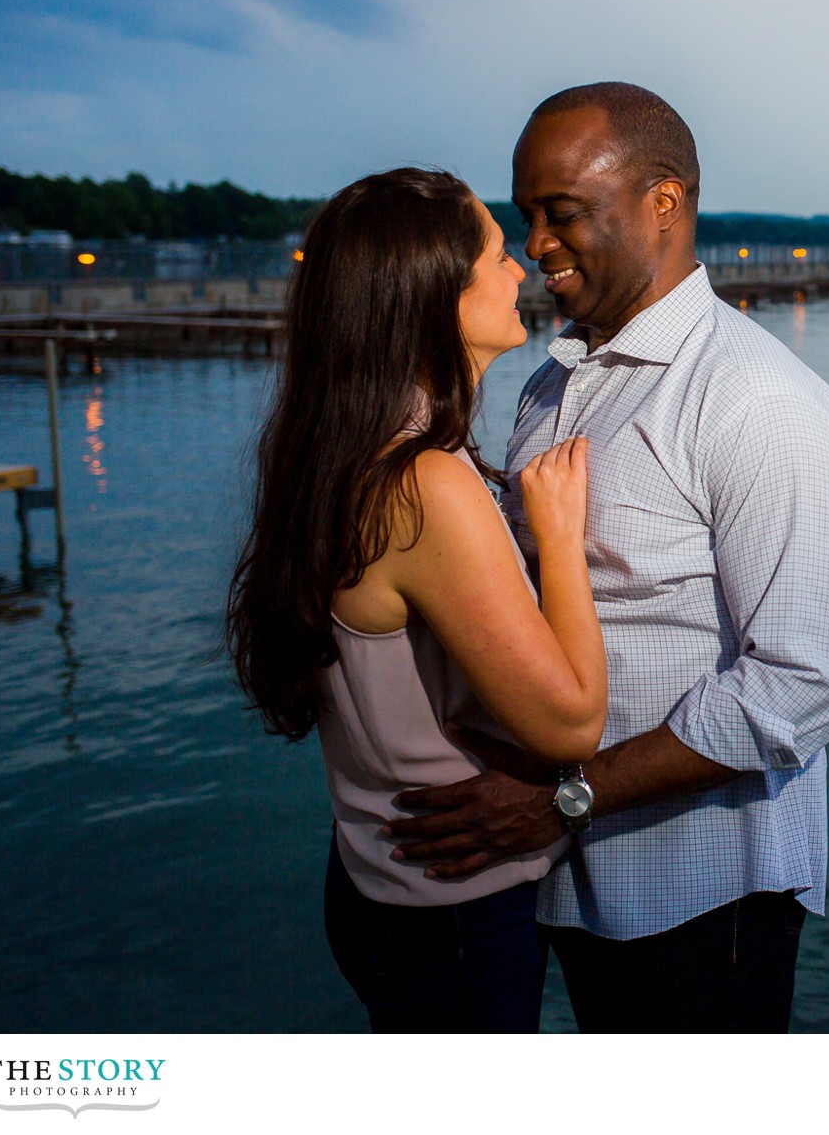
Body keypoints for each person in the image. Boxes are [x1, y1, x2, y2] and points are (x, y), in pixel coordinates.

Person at [384, 83, 829, 1032]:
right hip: (547, 880)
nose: (536, 245)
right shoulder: (552, 386)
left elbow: (805, 686)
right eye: (525, 217)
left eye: (562, 213)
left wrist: (564, 799)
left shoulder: (757, 402)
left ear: (664, 201)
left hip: (696, 896)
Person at [225, 167, 608, 1033]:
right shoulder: (425, 483)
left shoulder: (338, 452)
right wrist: (561, 540)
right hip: (452, 913)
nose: (521, 267)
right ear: (436, 295)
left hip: (373, 883)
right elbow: (571, 723)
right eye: (496, 252)